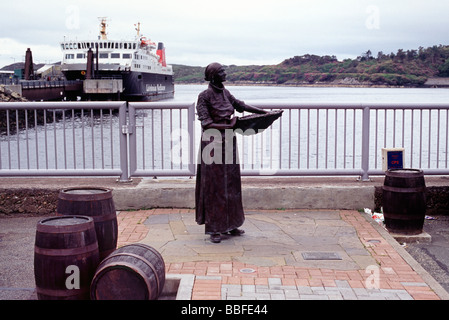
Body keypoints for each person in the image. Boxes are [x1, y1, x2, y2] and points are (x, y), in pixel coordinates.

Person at [195, 62, 268, 243]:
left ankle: (231, 223)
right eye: (221, 71)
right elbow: (207, 124)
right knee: (215, 185)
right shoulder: (204, 96)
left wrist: (264, 112)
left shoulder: (226, 93)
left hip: (229, 141)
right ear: (213, 76)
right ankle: (214, 228)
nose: (225, 73)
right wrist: (231, 124)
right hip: (212, 143)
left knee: (231, 183)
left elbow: (240, 105)